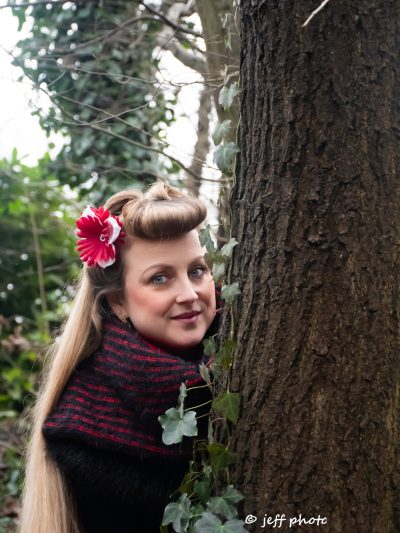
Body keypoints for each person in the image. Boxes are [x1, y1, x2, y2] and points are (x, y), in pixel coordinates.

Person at [19, 182, 221, 533]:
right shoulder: (87, 437)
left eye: (197, 270)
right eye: (160, 278)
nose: (189, 294)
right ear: (118, 302)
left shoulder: (244, 349)